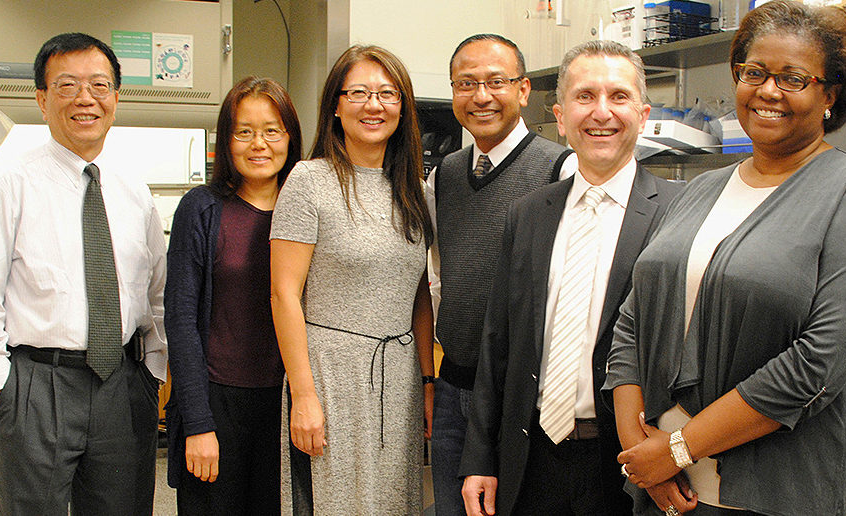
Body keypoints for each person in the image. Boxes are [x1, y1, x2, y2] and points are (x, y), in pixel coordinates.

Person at [604, 2, 846, 515]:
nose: (768, 91)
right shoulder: (700, 190)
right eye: (755, 73)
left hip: (777, 493)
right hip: (663, 490)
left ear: (830, 95)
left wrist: (677, 449)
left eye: (793, 78)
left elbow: (820, 362)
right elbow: (634, 320)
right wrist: (640, 455)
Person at [459, 40, 683, 516]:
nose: (601, 112)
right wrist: (480, 458)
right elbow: (496, 342)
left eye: (618, 97)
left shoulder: (679, 213)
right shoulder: (529, 214)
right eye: (585, 97)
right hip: (532, 457)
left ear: (642, 114)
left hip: (627, 464)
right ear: (561, 118)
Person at [0, 32, 167, 515]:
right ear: (42, 100)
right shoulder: (9, 184)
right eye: (67, 86)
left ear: (115, 97)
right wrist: (2, 385)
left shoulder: (135, 191)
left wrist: (152, 371)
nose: (85, 98)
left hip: (123, 383)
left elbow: (157, 294)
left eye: (99, 85)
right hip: (36, 385)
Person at [270, 44, 435, 514]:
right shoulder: (309, 180)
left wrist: (426, 381)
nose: (374, 105)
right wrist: (303, 395)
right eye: (359, 92)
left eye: (387, 93)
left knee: (393, 502)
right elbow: (284, 294)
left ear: (402, 109)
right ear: (336, 105)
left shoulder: (415, 190)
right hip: (329, 375)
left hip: (398, 376)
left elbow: (418, 294)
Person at [427, 33, 577, 516]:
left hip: (520, 395)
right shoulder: (445, 174)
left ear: (524, 89)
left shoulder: (560, 169)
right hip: (453, 388)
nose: (482, 96)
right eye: (466, 84)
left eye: (496, 82)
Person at [165, 76, 303, 515]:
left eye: (272, 130)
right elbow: (181, 318)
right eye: (244, 131)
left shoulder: (309, 208)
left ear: (290, 138)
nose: (258, 144)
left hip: (287, 402)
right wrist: (198, 422)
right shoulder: (201, 208)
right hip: (217, 400)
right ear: (226, 140)